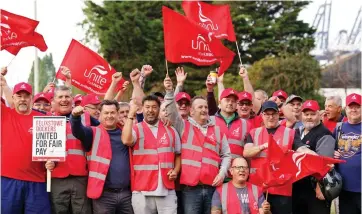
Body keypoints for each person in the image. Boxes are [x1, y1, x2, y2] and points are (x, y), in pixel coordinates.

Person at [164, 75, 232, 214]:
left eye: (206, 107)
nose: (204, 109)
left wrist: (222, 173)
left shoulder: (218, 130)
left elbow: (227, 154)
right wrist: (170, 92)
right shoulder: (183, 126)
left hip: (212, 187)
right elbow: (171, 113)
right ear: (191, 111)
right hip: (190, 189)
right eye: (200, 107)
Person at [122, 69, 181, 214]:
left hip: (166, 190)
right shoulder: (136, 128)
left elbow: (178, 154)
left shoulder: (171, 130)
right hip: (142, 190)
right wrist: (130, 115)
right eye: (147, 107)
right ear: (143, 109)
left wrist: (176, 170)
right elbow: (126, 140)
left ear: (159, 109)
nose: (150, 110)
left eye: (154, 107)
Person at [243, 101, 316, 214]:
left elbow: (302, 149)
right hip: (258, 188)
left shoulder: (290, 133)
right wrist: (263, 146)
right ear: (262, 115)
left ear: (278, 114)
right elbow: (247, 152)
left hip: (281, 189)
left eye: (274, 114)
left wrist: (318, 157)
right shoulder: (254, 133)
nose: (271, 117)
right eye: (267, 114)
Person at [70, 100, 133, 214]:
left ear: (118, 114)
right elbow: (78, 131)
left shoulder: (126, 133)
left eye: (112, 113)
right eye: (106, 113)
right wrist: (75, 117)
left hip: (126, 194)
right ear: (100, 114)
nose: (109, 116)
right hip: (103, 195)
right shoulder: (92, 133)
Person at [1, 80, 51, 214]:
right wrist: (2, 83)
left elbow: (52, 147)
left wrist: (53, 161)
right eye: (19, 96)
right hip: (8, 180)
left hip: (37, 181)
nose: (22, 99)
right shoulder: (5, 114)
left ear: (31, 98)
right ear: (12, 98)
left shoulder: (43, 119)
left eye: (26, 96)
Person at [45, 85, 92, 214]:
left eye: (67, 96)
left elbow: (108, 111)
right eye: (60, 97)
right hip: (57, 175)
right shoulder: (46, 120)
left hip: (80, 176)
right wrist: (45, 162)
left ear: (72, 99)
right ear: (53, 101)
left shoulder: (85, 117)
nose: (64, 100)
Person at [292, 100, 335, 214]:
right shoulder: (296, 132)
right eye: (306, 114)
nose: (309, 117)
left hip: (315, 188)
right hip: (298, 186)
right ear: (302, 115)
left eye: (312, 114)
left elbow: (324, 165)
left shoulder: (325, 134)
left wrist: (320, 187)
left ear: (319, 115)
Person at [334, 93, 361, 214]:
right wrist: (332, 153)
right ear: (346, 109)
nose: (354, 109)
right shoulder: (339, 128)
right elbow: (329, 150)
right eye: (351, 106)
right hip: (344, 188)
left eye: (357, 106)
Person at [212, 88, 249, 159]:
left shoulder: (246, 124)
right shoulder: (210, 121)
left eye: (233, 101)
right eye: (227, 100)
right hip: (214, 167)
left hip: (237, 168)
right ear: (219, 102)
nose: (230, 103)